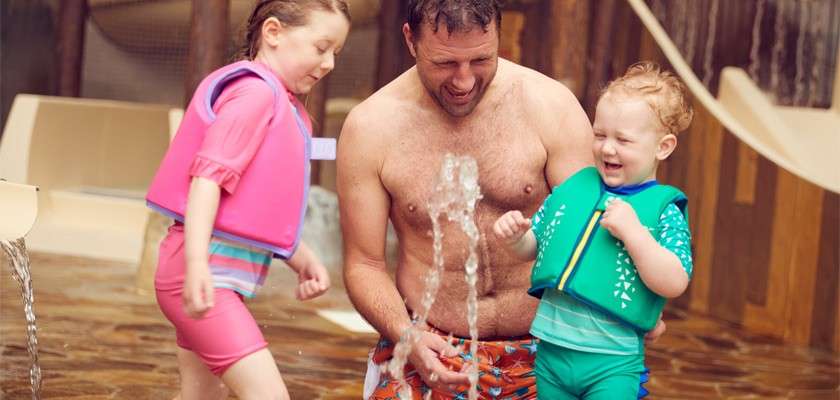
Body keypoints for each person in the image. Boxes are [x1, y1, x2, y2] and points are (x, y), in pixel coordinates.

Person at [336, 1, 664, 399]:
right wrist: (409, 337)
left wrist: (641, 306)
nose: (463, 81)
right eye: (445, 63)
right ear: (411, 40)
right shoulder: (371, 128)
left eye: (481, 59)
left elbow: (600, 228)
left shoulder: (549, 105)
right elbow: (364, 264)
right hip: (432, 343)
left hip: (553, 346)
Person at [145, 1, 350, 399]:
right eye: (321, 47)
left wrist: (300, 256)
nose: (329, 64)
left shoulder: (273, 99)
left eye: (336, 53)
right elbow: (206, 178)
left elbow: (251, 213)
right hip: (204, 274)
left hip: (206, 273)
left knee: (202, 397)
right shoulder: (255, 95)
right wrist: (196, 264)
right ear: (273, 33)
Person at [493, 61, 694, 399]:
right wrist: (516, 239)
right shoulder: (575, 189)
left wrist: (634, 234)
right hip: (552, 355)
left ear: (663, 147)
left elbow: (675, 281)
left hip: (612, 364)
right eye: (600, 135)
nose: (607, 147)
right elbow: (537, 246)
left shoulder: (663, 210)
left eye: (624, 140)